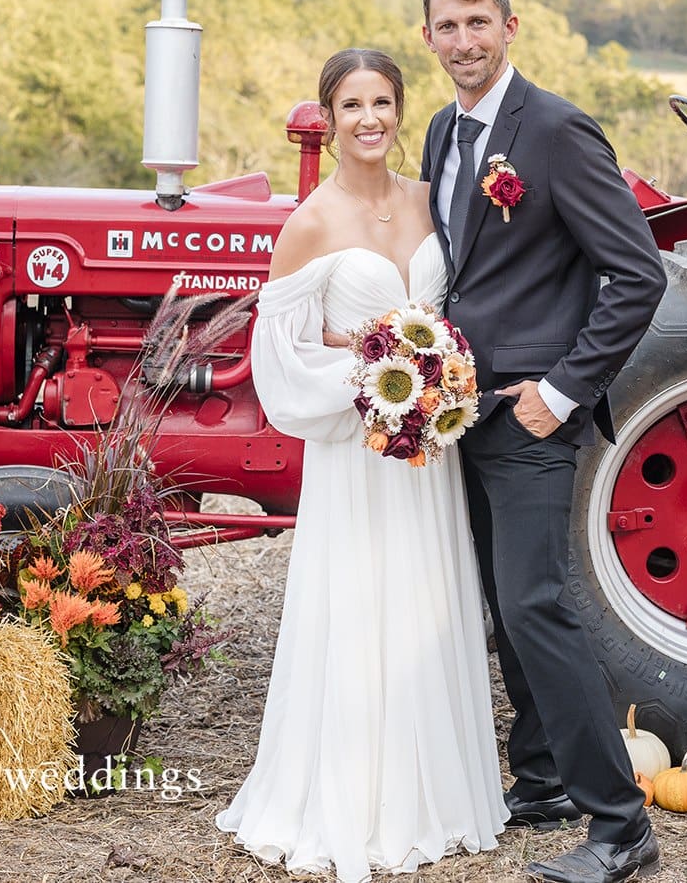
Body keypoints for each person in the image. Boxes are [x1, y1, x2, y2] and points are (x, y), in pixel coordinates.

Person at [215, 49, 506, 882]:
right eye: (352, 105)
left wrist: (437, 377)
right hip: (357, 455)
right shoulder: (311, 221)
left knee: (426, 602)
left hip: (429, 454)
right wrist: (372, 372)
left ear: (400, 110)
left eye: (382, 102)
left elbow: (456, 310)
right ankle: (354, 795)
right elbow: (279, 356)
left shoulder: (430, 199)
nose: (369, 118)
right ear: (329, 117)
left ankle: (435, 792)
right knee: (359, 603)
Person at [419, 0, 669, 883]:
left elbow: (638, 273)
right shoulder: (441, 131)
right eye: (448, 26)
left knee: (536, 602)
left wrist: (560, 390)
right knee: (502, 602)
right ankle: (543, 780)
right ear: (428, 37)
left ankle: (622, 826)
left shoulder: (557, 131)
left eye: (478, 22)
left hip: (531, 414)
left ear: (510, 27)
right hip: (463, 410)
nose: (464, 41)